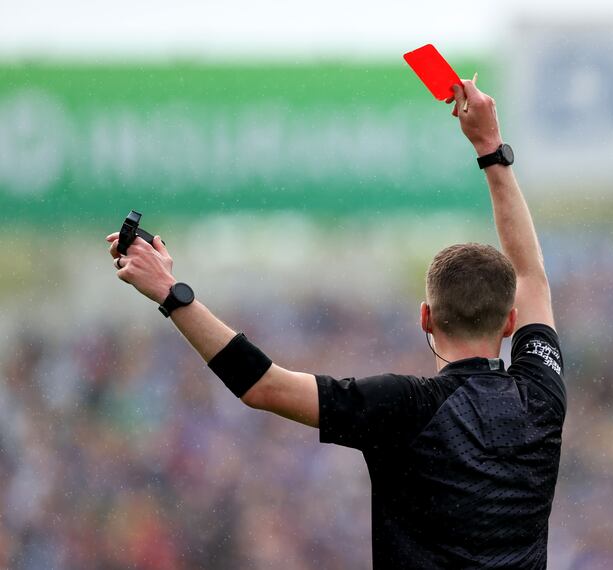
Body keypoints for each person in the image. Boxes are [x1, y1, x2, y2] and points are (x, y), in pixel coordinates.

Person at [106, 79, 566, 569]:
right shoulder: (541, 394)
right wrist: (491, 148)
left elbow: (262, 385)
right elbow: (531, 276)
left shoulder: (402, 406)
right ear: (510, 322)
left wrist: (170, 292)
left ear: (426, 318)